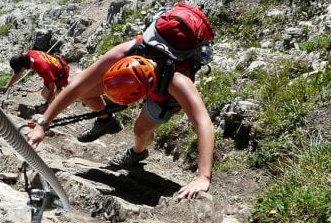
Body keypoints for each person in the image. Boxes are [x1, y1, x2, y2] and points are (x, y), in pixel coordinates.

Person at [26, 34, 214, 200]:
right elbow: (76, 86)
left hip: (164, 95)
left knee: (140, 131)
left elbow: (204, 124)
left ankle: (138, 152)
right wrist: (43, 124)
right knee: (85, 92)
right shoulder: (124, 51)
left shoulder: (178, 82)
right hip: (140, 77)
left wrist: (203, 177)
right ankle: (105, 120)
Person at [1, 50, 70, 108]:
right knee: (48, 92)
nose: (19, 71)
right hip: (57, 65)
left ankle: (57, 107)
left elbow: (53, 88)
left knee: (45, 94)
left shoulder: (42, 69)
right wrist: (6, 87)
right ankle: (64, 94)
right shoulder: (30, 54)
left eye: (20, 69)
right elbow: (17, 74)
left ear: (24, 66)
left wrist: (46, 105)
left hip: (61, 75)